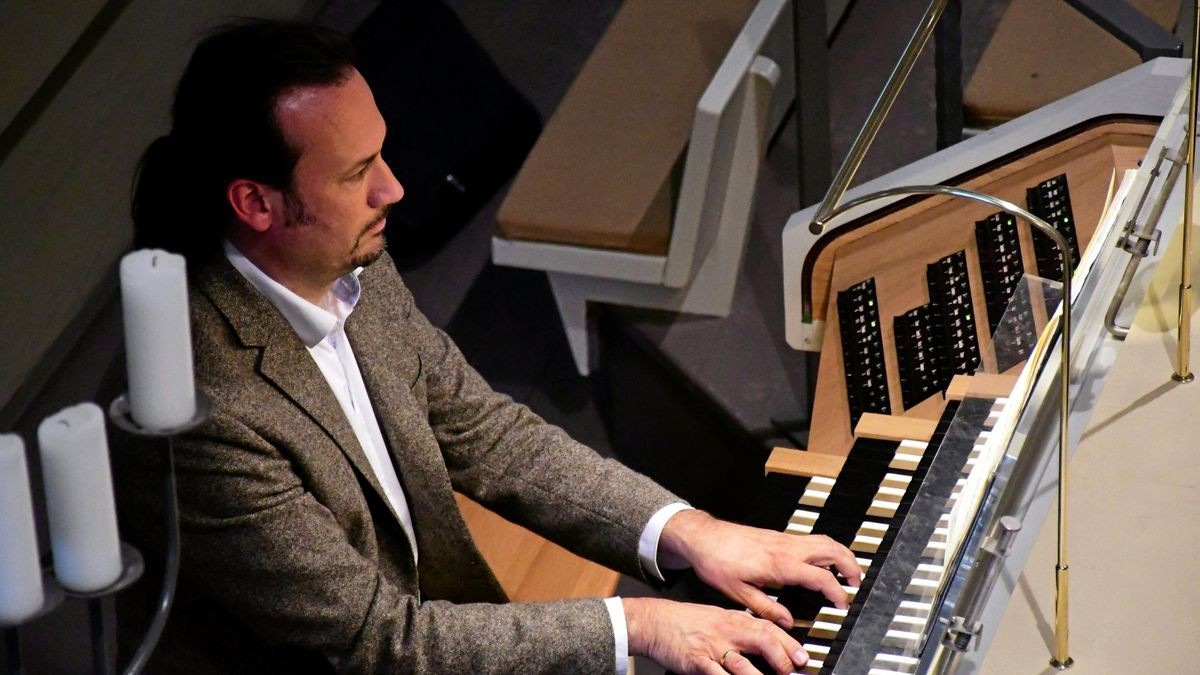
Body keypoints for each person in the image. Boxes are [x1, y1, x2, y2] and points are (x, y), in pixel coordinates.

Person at [120, 19, 860, 675]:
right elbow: (380, 640)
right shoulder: (206, 413)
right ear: (256, 203)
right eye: (356, 174)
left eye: (381, 154)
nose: (396, 189)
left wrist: (691, 531)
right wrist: (639, 622)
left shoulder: (347, 256)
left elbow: (482, 430)